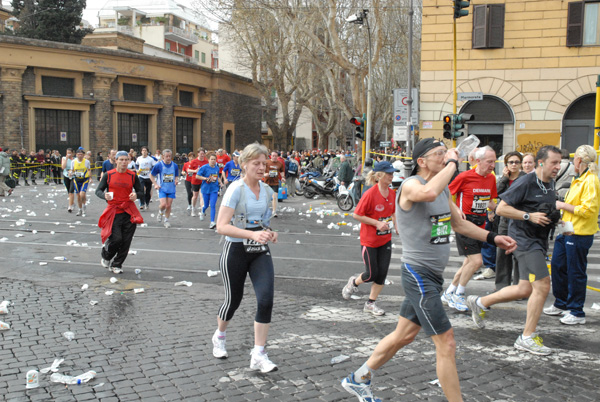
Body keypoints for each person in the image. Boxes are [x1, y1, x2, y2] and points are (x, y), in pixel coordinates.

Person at [341, 138, 516, 402]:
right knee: (447, 343)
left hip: (433, 276)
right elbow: (428, 194)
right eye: (439, 154)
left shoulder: (442, 189)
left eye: (446, 153)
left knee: (404, 335)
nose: (445, 157)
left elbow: (459, 224)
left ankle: (358, 378)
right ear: (421, 161)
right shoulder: (413, 185)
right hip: (417, 274)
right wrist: (453, 163)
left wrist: (492, 238)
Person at [466, 146, 563, 356]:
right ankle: (526, 337)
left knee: (524, 289)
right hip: (525, 241)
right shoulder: (526, 181)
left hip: (538, 240)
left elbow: (544, 209)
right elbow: (501, 208)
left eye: (559, 162)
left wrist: (559, 222)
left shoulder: (550, 183)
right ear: (541, 163)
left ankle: (480, 302)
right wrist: (529, 216)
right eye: (554, 162)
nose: (558, 166)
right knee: (543, 285)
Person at [213, 143, 278, 373]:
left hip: (259, 252)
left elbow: (262, 223)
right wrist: (253, 234)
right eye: (256, 163)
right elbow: (221, 227)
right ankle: (220, 335)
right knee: (234, 300)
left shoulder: (268, 191)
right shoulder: (235, 189)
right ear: (244, 165)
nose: (262, 167)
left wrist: (269, 232)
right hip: (236, 252)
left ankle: (259, 354)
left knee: (266, 299)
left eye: (264, 163)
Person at [545, 145, 600, 325]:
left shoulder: (590, 180)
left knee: (575, 271)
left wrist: (562, 206)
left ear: (578, 160)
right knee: (558, 265)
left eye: (572, 158)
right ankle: (561, 303)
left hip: (579, 233)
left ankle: (576, 311)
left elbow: (588, 210)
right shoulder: (578, 179)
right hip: (567, 229)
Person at [441, 146, 498, 312]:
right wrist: (456, 210)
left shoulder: (491, 179)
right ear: (478, 161)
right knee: (476, 261)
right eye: (489, 161)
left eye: (494, 161)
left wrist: (497, 208)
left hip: (480, 225)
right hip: (464, 224)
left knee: (468, 262)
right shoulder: (465, 177)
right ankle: (459, 294)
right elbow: (445, 193)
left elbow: (489, 201)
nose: (493, 165)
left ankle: (449, 291)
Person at [342, 161, 399, 316]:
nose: (391, 175)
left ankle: (370, 303)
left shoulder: (392, 193)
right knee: (371, 273)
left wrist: (397, 225)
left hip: (385, 240)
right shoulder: (370, 194)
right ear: (379, 176)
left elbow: (393, 212)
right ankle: (353, 282)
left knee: (382, 275)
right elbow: (356, 214)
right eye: (389, 173)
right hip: (369, 241)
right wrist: (376, 223)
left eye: (392, 173)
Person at [96, 151, 144, 274]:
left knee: (126, 240)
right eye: (121, 160)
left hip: (128, 210)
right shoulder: (109, 175)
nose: (124, 162)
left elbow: (140, 191)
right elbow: (98, 191)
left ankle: (117, 264)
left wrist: (136, 195)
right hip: (114, 211)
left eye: (126, 160)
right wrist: (104, 195)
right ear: (115, 160)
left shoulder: (133, 175)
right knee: (116, 239)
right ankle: (106, 255)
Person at [494, 151, 526, 290]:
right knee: (502, 253)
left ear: (521, 164)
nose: (514, 165)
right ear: (506, 165)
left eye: (517, 162)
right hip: (505, 221)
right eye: (511, 162)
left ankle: (519, 286)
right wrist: (504, 179)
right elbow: (496, 193)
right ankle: (502, 285)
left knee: (519, 253)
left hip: (520, 220)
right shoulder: (504, 179)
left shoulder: (526, 178)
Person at [150, 149, 179, 229]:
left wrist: (176, 180)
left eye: (170, 156)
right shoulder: (159, 165)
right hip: (162, 188)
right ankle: (160, 212)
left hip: (171, 188)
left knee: (169, 205)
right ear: (163, 156)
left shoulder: (175, 165)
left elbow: (176, 175)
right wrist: (155, 184)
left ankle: (166, 220)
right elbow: (151, 175)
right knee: (163, 204)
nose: (168, 158)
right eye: (166, 156)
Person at [197, 152, 223, 229]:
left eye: (214, 159)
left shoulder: (217, 168)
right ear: (208, 160)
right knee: (206, 205)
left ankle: (212, 222)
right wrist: (205, 178)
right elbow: (198, 176)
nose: (213, 161)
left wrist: (220, 183)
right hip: (205, 189)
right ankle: (203, 211)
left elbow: (217, 176)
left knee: (212, 205)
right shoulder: (204, 167)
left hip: (214, 189)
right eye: (211, 159)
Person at [264, 151, 285, 218]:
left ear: (277, 156)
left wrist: (283, 178)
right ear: (271, 156)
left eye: (275, 156)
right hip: (267, 182)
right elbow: (261, 170)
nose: (274, 157)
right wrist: (265, 174)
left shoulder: (279, 163)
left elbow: (281, 171)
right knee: (266, 198)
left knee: (274, 197)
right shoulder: (266, 162)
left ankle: (274, 211)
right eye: (273, 156)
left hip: (275, 182)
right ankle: (264, 210)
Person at [72, 147, 92, 217]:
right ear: (76, 155)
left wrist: (90, 178)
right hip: (76, 180)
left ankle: (83, 207)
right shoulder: (73, 161)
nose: (80, 156)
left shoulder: (86, 161)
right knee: (78, 196)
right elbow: (72, 170)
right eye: (78, 154)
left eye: (81, 154)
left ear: (83, 155)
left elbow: (89, 170)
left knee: (82, 194)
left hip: (84, 179)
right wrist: (70, 173)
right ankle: (80, 209)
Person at [136, 146, 156, 211]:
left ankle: (147, 203)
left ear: (147, 151)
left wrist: (150, 169)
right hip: (141, 176)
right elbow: (136, 165)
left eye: (145, 150)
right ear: (141, 151)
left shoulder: (150, 159)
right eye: (143, 150)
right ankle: (141, 204)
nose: (144, 152)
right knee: (141, 189)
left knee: (148, 191)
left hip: (148, 176)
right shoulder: (139, 158)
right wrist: (137, 170)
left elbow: (154, 167)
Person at [189, 148, 208, 216]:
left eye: (203, 154)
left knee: (202, 195)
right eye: (201, 154)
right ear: (198, 154)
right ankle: (193, 209)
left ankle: (202, 210)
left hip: (203, 181)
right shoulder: (194, 161)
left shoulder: (206, 162)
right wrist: (195, 171)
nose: (202, 155)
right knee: (195, 196)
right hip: (195, 181)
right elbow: (188, 170)